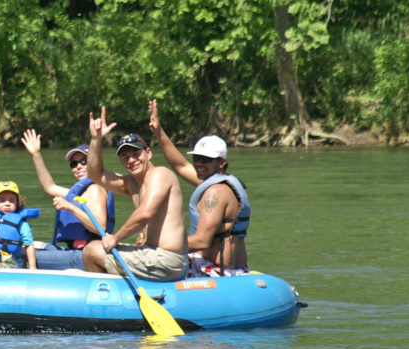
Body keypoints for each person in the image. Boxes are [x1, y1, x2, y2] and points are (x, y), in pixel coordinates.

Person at [82, 106, 188, 281]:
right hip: (153, 255)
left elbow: (145, 214)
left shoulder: (160, 174)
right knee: (93, 247)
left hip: (168, 260)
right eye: (125, 157)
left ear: (148, 153)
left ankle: (104, 298)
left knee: (91, 251)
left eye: (135, 153)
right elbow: (94, 174)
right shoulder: (131, 184)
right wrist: (96, 139)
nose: (131, 160)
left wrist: (115, 238)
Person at [148, 100, 250, 277]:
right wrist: (159, 132)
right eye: (196, 159)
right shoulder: (218, 182)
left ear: (221, 162)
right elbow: (179, 165)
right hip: (227, 267)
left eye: (206, 160)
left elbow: (202, 241)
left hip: (214, 271)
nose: (199, 164)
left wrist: (158, 244)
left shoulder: (216, 192)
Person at [21, 129, 115, 270]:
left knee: (21, 253)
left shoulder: (95, 189)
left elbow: (99, 227)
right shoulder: (79, 193)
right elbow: (49, 187)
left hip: (86, 256)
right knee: (27, 245)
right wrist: (36, 154)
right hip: (73, 251)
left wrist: (70, 207)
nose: (78, 166)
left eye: (84, 161)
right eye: (74, 163)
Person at [0, 181, 38, 269]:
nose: (7, 203)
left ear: (17, 203)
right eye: (2, 200)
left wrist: (33, 267)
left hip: (12, 264)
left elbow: (29, 245)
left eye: (11, 200)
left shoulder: (21, 224)